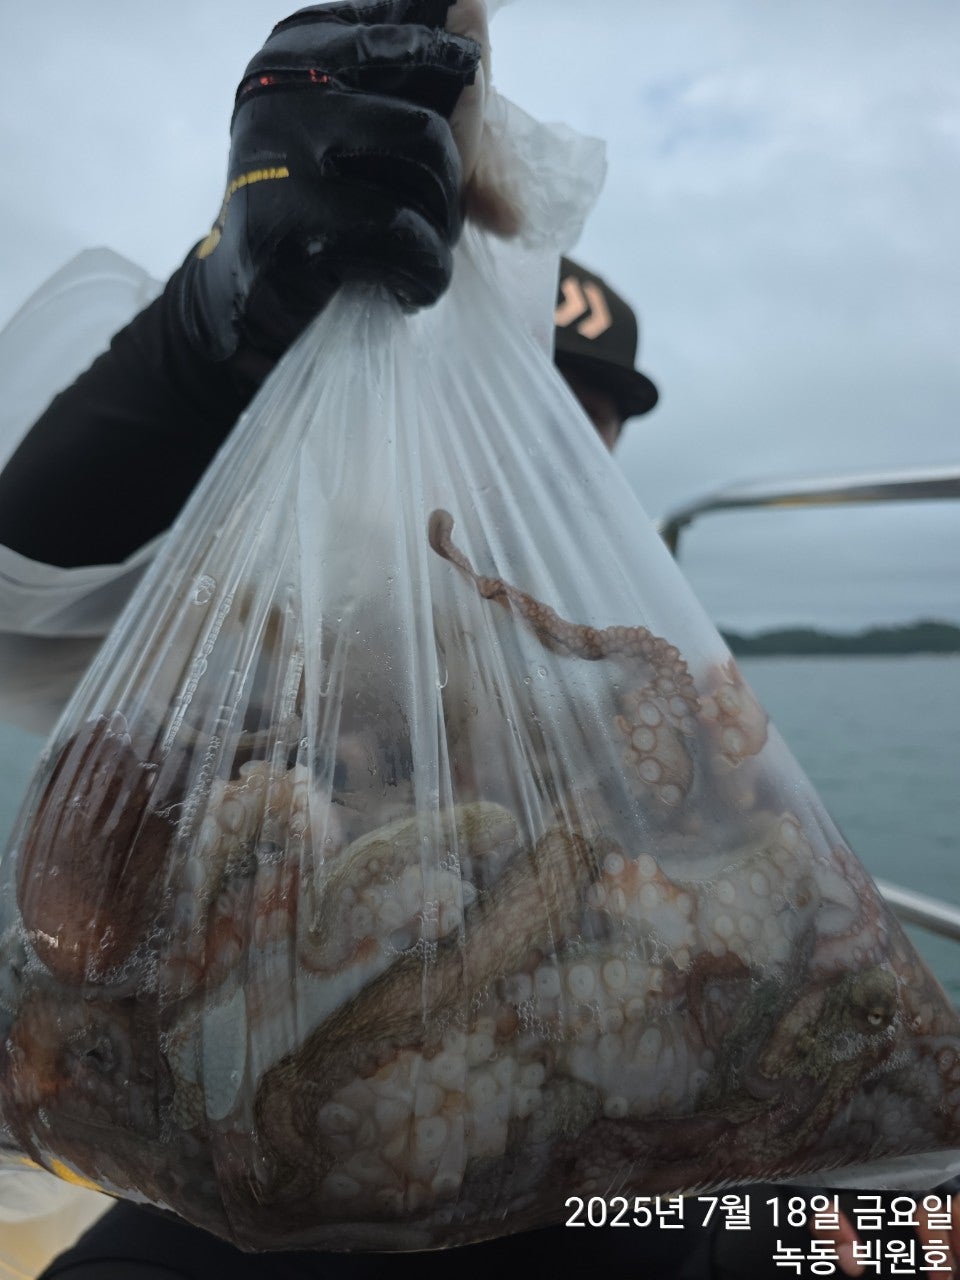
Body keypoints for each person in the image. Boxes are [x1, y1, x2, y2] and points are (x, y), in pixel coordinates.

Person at [0, 3, 957, 1277]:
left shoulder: (639, 668)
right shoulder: (302, 590)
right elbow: (28, 586)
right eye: (542, 389)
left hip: (625, 1203)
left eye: (591, 414)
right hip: (254, 1214)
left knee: (885, 1235)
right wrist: (203, 339)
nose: (558, 437)